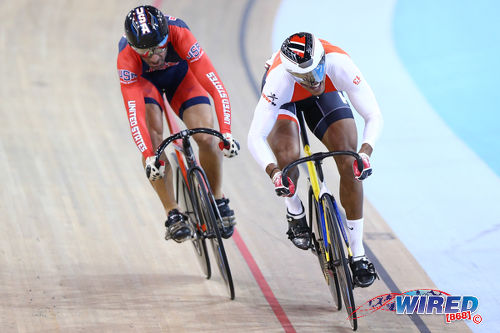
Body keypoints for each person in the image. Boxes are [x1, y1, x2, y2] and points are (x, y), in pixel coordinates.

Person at [247, 32, 383, 288]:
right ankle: (294, 210)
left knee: (350, 161)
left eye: (315, 71)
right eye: (304, 76)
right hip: (287, 99)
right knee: (288, 158)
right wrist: (275, 173)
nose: (313, 81)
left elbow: (373, 114)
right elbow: (255, 137)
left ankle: (358, 253)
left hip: (326, 95)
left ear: (322, 60)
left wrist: (365, 153)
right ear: (292, 72)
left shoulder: (340, 64)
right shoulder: (278, 80)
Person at [117, 5, 239, 243]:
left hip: (182, 78)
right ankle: (172, 212)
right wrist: (148, 154)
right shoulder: (126, 56)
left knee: (207, 138)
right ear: (133, 48)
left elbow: (216, 87)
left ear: (166, 37)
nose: (152, 56)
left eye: (157, 48)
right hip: (146, 84)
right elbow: (135, 113)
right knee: (155, 145)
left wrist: (226, 132)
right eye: (144, 52)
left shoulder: (179, 32)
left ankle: (217, 199)